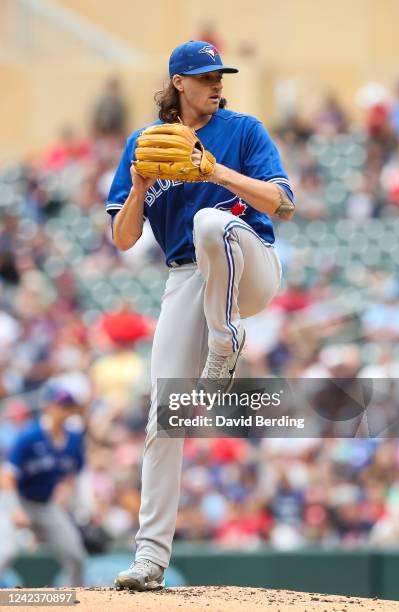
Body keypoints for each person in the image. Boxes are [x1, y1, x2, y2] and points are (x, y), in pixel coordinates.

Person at [106, 40, 295, 591]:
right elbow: (121, 239)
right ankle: (149, 559)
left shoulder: (243, 130)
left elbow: (283, 204)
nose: (216, 82)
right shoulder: (144, 142)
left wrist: (217, 172)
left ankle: (226, 340)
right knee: (165, 413)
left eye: (219, 74)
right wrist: (141, 184)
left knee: (211, 221)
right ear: (179, 82)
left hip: (249, 259)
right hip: (188, 278)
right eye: (205, 75)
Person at [0, 382, 87, 586]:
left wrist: (69, 493)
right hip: (17, 501)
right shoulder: (29, 436)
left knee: (76, 556)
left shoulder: (74, 438)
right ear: (48, 406)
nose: (65, 411)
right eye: (61, 405)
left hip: (46, 505)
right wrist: (14, 510)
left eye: (69, 406)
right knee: (5, 553)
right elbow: (6, 476)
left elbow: (75, 473)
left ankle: (76, 603)